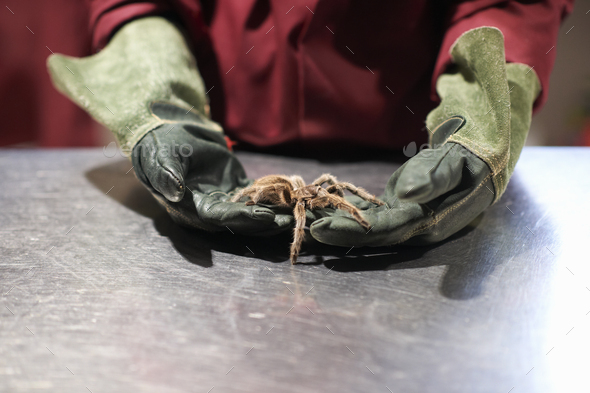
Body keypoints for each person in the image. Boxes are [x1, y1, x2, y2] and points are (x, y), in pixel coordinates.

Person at [47, 0, 574, 248]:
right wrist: (158, 102)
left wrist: (481, 121)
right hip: (224, 137)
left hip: (411, 147)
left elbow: (509, 6)